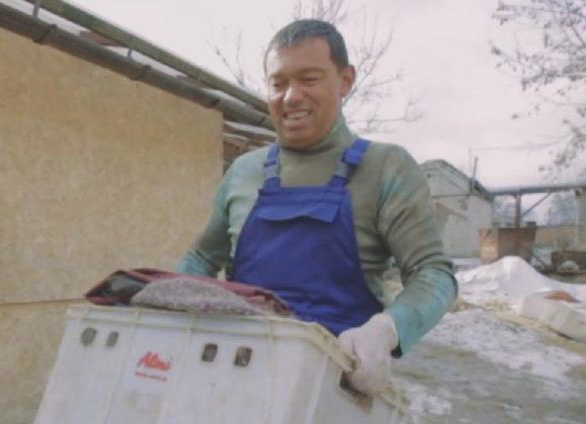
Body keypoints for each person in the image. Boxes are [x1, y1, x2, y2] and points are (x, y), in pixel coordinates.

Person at [177, 19, 457, 395]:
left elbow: (433, 273)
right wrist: (172, 300)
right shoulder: (244, 171)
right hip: (232, 378)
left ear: (345, 80)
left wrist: (385, 330)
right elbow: (201, 257)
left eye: (309, 79)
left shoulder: (386, 168)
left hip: (334, 388)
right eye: (278, 83)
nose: (291, 96)